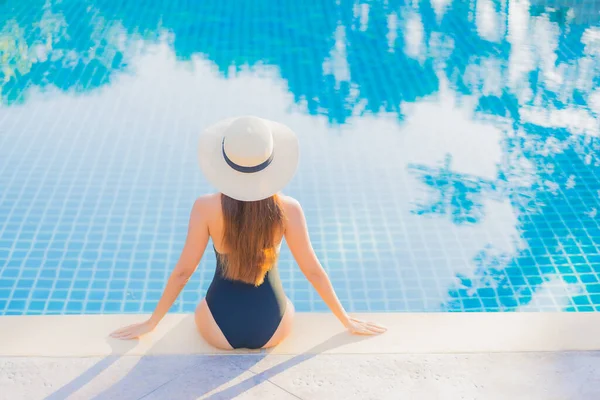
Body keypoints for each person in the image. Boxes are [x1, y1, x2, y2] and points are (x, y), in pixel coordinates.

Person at [110, 116, 387, 349]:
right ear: (271, 161)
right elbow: (313, 271)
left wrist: (151, 322)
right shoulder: (288, 209)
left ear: (224, 161)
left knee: (197, 311)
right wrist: (346, 320)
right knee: (288, 304)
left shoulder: (205, 207)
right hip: (273, 328)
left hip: (218, 329)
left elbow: (183, 272)